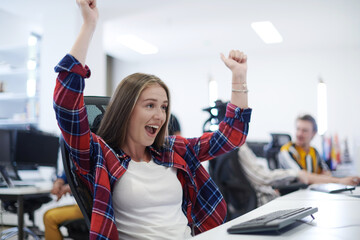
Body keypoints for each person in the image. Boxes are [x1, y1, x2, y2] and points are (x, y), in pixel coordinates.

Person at [53, 0, 251, 239]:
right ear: (126, 110)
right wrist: (89, 25)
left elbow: (231, 137)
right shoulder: (100, 155)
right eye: (150, 105)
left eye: (164, 107)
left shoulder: (170, 151)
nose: (160, 115)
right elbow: (66, 104)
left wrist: (238, 77)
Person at [238, 143, 360, 206]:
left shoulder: (313, 151)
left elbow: (325, 172)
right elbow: (305, 177)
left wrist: (332, 179)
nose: (300, 134)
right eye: (298, 129)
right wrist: (339, 181)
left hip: (308, 192)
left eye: (305, 130)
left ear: (313, 134)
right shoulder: (287, 151)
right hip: (290, 194)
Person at [43, 172, 83, 240]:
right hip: (83, 205)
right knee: (47, 214)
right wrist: (59, 181)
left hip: (95, 208)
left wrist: (74, 187)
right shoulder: (76, 162)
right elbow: (69, 170)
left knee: (50, 218)